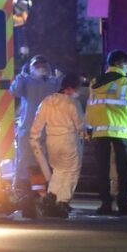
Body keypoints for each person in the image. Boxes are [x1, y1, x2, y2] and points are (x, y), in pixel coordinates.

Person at [86, 50, 127, 215]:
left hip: (99, 131)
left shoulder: (95, 82)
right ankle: (122, 205)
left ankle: (105, 204)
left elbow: (90, 105)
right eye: (126, 63)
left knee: (102, 170)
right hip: (120, 132)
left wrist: (89, 127)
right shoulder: (125, 82)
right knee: (122, 170)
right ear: (119, 63)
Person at [29, 74, 86, 219]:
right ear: (71, 88)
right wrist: (86, 135)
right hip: (69, 140)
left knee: (58, 171)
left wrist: (34, 139)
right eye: (77, 88)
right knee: (71, 171)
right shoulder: (72, 103)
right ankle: (62, 202)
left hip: (52, 141)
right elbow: (80, 125)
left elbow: (37, 124)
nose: (78, 91)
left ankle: (51, 198)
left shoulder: (47, 101)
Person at [10, 55, 62, 196]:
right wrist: (20, 77)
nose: (41, 68)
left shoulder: (54, 82)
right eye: (37, 66)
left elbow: (63, 96)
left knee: (45, 162)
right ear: (31, 68)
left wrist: (59, 78)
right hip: (28, 130)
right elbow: (14, 91)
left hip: (46, 130)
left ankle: (43, 192)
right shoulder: (26, 81)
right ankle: (23, 191)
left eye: (43, 65)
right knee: (25, 161)